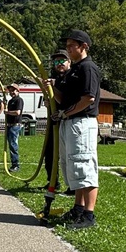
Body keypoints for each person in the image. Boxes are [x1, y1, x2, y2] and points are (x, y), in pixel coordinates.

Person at [49, 30, 100, 229]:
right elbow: (63, 99)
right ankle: (78, 208)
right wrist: (52, 88)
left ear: (84, 46)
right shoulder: (74, 70)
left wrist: (66, 113)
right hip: (71, 122)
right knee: (73, 165)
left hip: (82, 122)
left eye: (72, 46)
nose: (69, 49)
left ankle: (89, 214)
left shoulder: (88, 68)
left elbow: (88, 98)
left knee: (84, 164)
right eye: (68, 45)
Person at [45, 49, 72, 193]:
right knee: (50, 154)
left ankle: (72, 186)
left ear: (69, 62)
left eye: (62, 61)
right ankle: (52, 181)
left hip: (67, 121)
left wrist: (52, 88)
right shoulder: (57, 79)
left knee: (67, 155)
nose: (59, 64)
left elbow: (64, 99)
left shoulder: (71, 78)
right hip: (55, 122)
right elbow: (50, 101)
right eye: (56, 61)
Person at [5, 83, 24, 172]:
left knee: (13, 145)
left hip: (15, 125)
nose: (12, 92)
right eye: (10, 90)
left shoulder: (18, 100)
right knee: (11, 145)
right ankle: (14, 164)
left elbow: (17, 112)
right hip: (10, 125)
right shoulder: (10, 101)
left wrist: (7, 112)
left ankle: (16, 165)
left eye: (13, 90)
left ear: (17, 91)